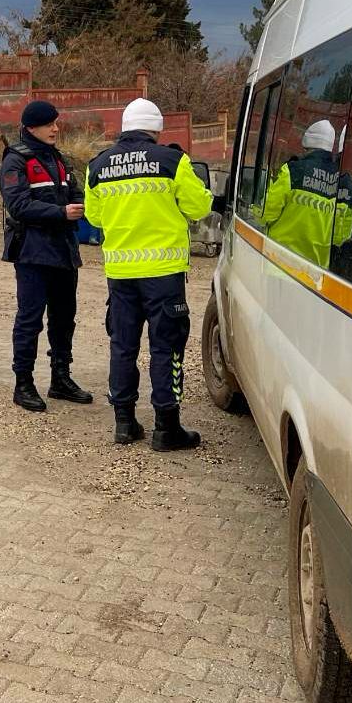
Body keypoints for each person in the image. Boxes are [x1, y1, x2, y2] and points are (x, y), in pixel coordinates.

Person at [83, 97, 212, 450]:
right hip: (163, 273)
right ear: (156, 129)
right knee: (165, 348)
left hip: (121, 273)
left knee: (122, 345)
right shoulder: (173, 160)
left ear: (124, 127)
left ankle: (124, 423)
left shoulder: (99, 165)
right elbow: (199, 206)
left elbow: (93, 218)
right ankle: (166, 428)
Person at [0, 100, 94, 412]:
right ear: (31, 128)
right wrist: (61, 212)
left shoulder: (59, 159)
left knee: (64, 318)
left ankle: (60, 378)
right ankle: (23, 383)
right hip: (33, 252)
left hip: (64, 251)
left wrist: (78, 205)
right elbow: (18, 205)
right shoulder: (15, 161)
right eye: (49, 124)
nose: (56, 129)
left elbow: (76, 191)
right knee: (30, 319)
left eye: (56, 123)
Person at [262, 119, 352, 268]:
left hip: (280, 263)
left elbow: (267, 213)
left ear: (307, 147)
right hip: (316, 272)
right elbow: (340, 236)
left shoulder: (293, 171)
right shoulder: (343, 183)